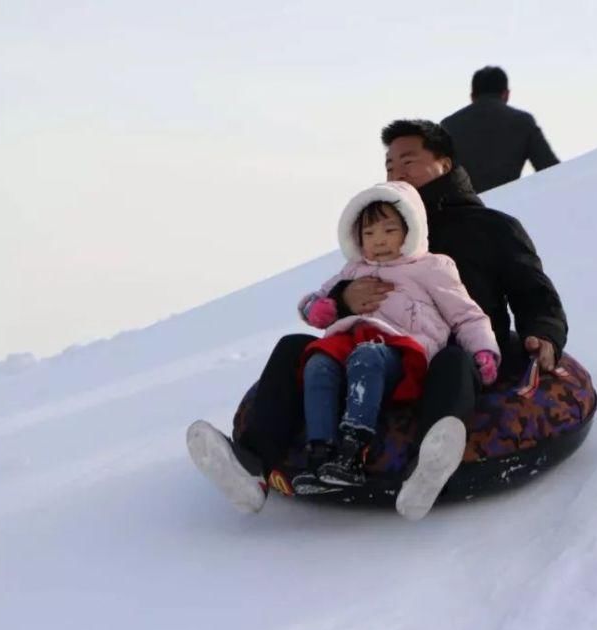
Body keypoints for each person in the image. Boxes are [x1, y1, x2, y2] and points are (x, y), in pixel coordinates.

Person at [186, 119, 567, 520]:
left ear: (445, 163)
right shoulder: (379, 226)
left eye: (407, 161)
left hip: (450, 352)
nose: (396, 173)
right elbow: (340, 289)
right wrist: (343, 299)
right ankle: (251, 464)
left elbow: (533, 291)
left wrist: (544, 334)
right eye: (389, 166)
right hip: (372, 349)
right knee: (294, 349)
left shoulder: (492, 228)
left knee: (452, 361)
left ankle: (427, 465)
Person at [299, 181, 499, 492]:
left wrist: (483, 351)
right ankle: (320, 451)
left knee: (367, 355)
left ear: (410, 229)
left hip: (404, 355)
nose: (378, 241)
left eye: (388, 230)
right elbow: (316, 298)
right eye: (369, 233)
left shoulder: (431, 267)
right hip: (352, 346)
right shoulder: (352, 271)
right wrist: (319, 308)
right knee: (318, 363)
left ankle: (353, 453)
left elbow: (466, 315)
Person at [440, 66, 559, 193]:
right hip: (507, 207)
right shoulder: (522, 121)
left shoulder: (448, 125)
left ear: (472, 96)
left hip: (462, 209)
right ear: (506, 94)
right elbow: (552, 171)